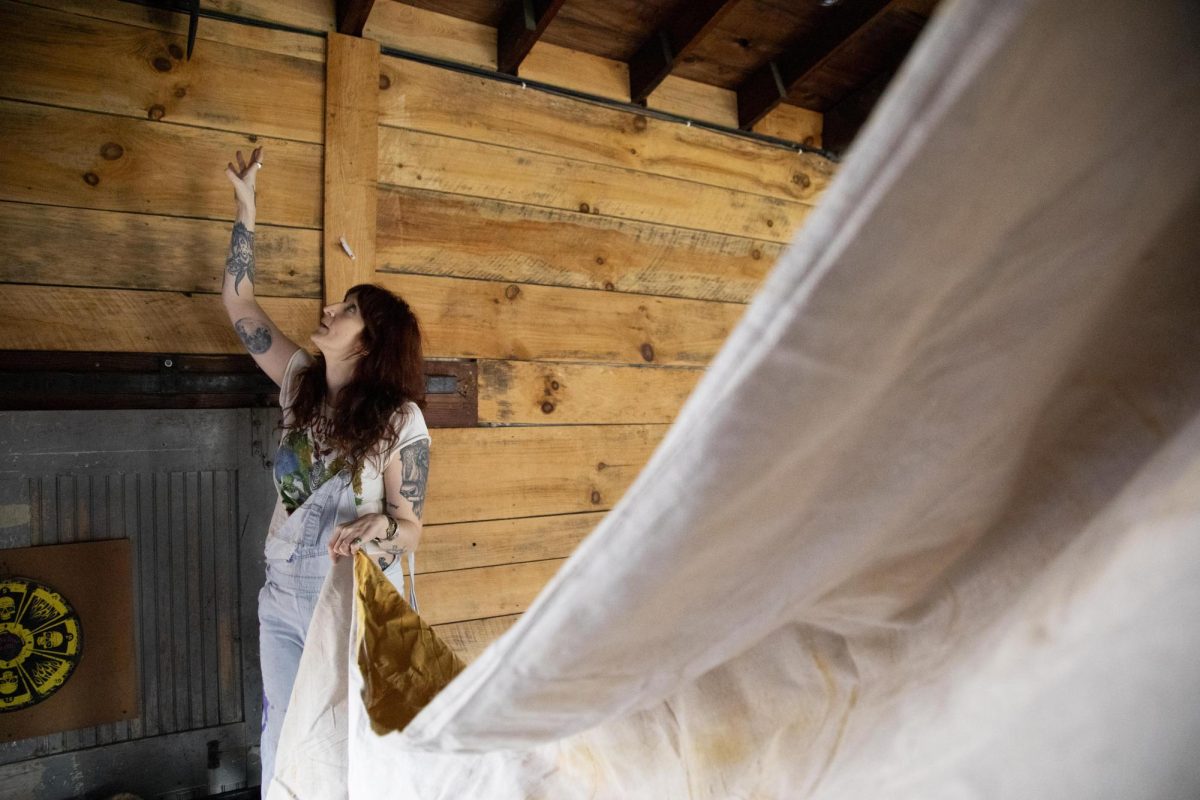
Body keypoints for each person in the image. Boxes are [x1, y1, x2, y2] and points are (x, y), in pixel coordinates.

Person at [221, 147, 431, 794]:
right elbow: (239, 303)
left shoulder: (401, 421)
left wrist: (379, 524)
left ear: (368, 342)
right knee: (284, 740)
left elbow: (411, 529)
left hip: (359, 607)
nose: (330, 312)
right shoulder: (297, 385)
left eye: (347, 311)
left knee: (356, 749)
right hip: (284, 599)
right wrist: (246, 211)